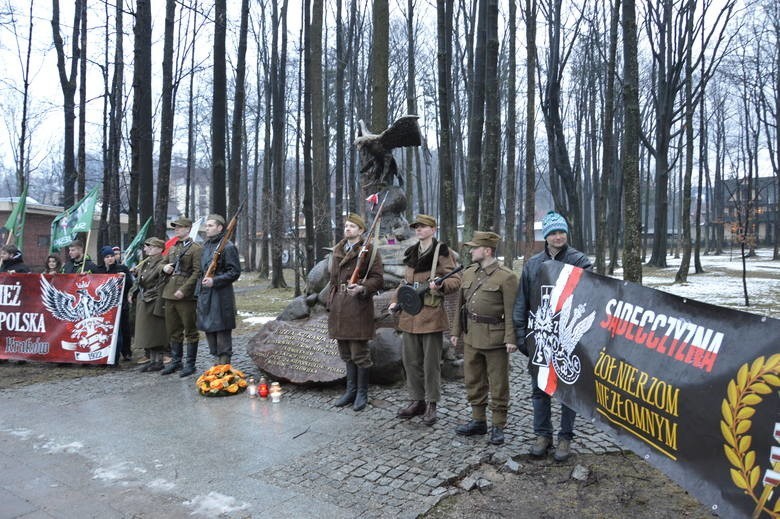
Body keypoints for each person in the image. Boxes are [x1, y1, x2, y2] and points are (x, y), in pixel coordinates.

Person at [513, 211, 593, 461]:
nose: (558, 237)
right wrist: (520, 333)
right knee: (539, 388)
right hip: (540, 336)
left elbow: (591, 297)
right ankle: (542, 434)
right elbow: (522, 301)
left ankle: (565, 438)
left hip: (568, 337)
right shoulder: (533, 264)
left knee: (568, 390)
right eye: (553, 233)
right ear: (546, 236)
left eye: (561, 232)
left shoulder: (579, 261)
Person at [388, 214, 461, 426]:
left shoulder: (442, 252)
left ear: (433, 229)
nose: (418, 230)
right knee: (411, 362)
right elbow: (405, 282)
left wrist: (441, 285)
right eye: (416, 227)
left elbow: (456, 280)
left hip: (430, 315)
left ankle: (431, 403)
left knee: (430, 364)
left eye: (423, 227)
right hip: (410, 315)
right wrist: (395, 301)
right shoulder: (411, 252)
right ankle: (416, 400)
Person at [450, 231, 518, 446]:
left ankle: (498, 425)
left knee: (498, 383)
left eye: (474, 247)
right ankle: (478, 420)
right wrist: (455, 332)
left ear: (487, 250)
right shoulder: (469, 273)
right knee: (473, 380)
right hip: (471, 336)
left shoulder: (506, 277)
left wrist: (511, 338)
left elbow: (512, 311)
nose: (470, 251)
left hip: (495, 338)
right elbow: (460, 306)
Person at [328, 213, 384, 412]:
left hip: (358, 305)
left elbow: (378, 278)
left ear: (361, 230)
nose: (348, 229)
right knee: (345, 353)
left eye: (352, 226)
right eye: (346, 226)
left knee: (359, 353)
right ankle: (350, 391)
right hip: (339, 306)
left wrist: (362, 287)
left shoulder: (369, 251)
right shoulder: (339, 250)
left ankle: (362, 393)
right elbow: (333, 279)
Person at [160, 217, 203, 376]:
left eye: (179, 227)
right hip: (170, 292)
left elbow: (198, 272)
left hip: (185, 296)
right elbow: (161, 263)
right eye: (175, 228)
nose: (176, 230)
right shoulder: (172, 248)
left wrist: (184, 290)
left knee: (190, 330)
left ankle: (190, 364)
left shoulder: (195, 248)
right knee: (173, 329)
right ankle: (176, 362)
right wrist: (164, 267)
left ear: (188, 229)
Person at [197, 214, 241, 367]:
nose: (207, 228)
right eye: (206, 225)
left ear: (220, 228)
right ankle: (217, 363)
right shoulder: (206, 246)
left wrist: (215, 281)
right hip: (206, 295)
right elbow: (201, 271)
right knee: (209, 330)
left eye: (210, 225)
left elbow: (234, 272)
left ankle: (224, 366)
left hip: (221, 296)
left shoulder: (227, 247)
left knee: (221, 330)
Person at [129, 238, 169, 372]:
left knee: (155, 333)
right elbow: (141, 279)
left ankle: (158, 361)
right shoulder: (146, 262)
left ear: (158, 248)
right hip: (144, 299)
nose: (146, 250)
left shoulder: (162, 261)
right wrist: (136, 275)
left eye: (149, 247)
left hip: (154, 300)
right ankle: (152, 360)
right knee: (147, 333)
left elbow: (159, 273)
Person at [97, 245, 134, 362]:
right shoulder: (99, 270)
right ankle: (110, 353)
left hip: (121, 304)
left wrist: (124, 278)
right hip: (105, 306)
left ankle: (126, 352)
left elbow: (130, 284)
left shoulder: (122, 268)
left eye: (112, 256)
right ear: (103, 258)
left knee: (124, 329)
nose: (110, 259)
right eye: (107, 257)